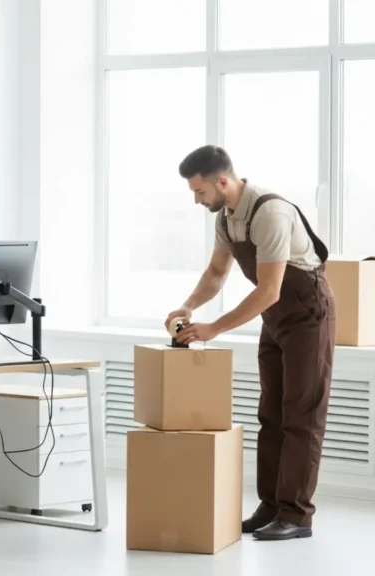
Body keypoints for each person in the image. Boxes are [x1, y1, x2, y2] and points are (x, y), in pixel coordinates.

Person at [168, 145, 335, 541]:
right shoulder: (225, 219)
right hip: (275, 318)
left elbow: (269, 289)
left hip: (307, 313)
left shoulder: (269, 213)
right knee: (271, 415)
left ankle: (296, 516)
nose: (197, 200)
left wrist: (214, 328)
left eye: (200, 191)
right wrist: (188, 306)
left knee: (302, 416)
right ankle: (272, 506)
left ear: (223, 182)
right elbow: (216, 272)